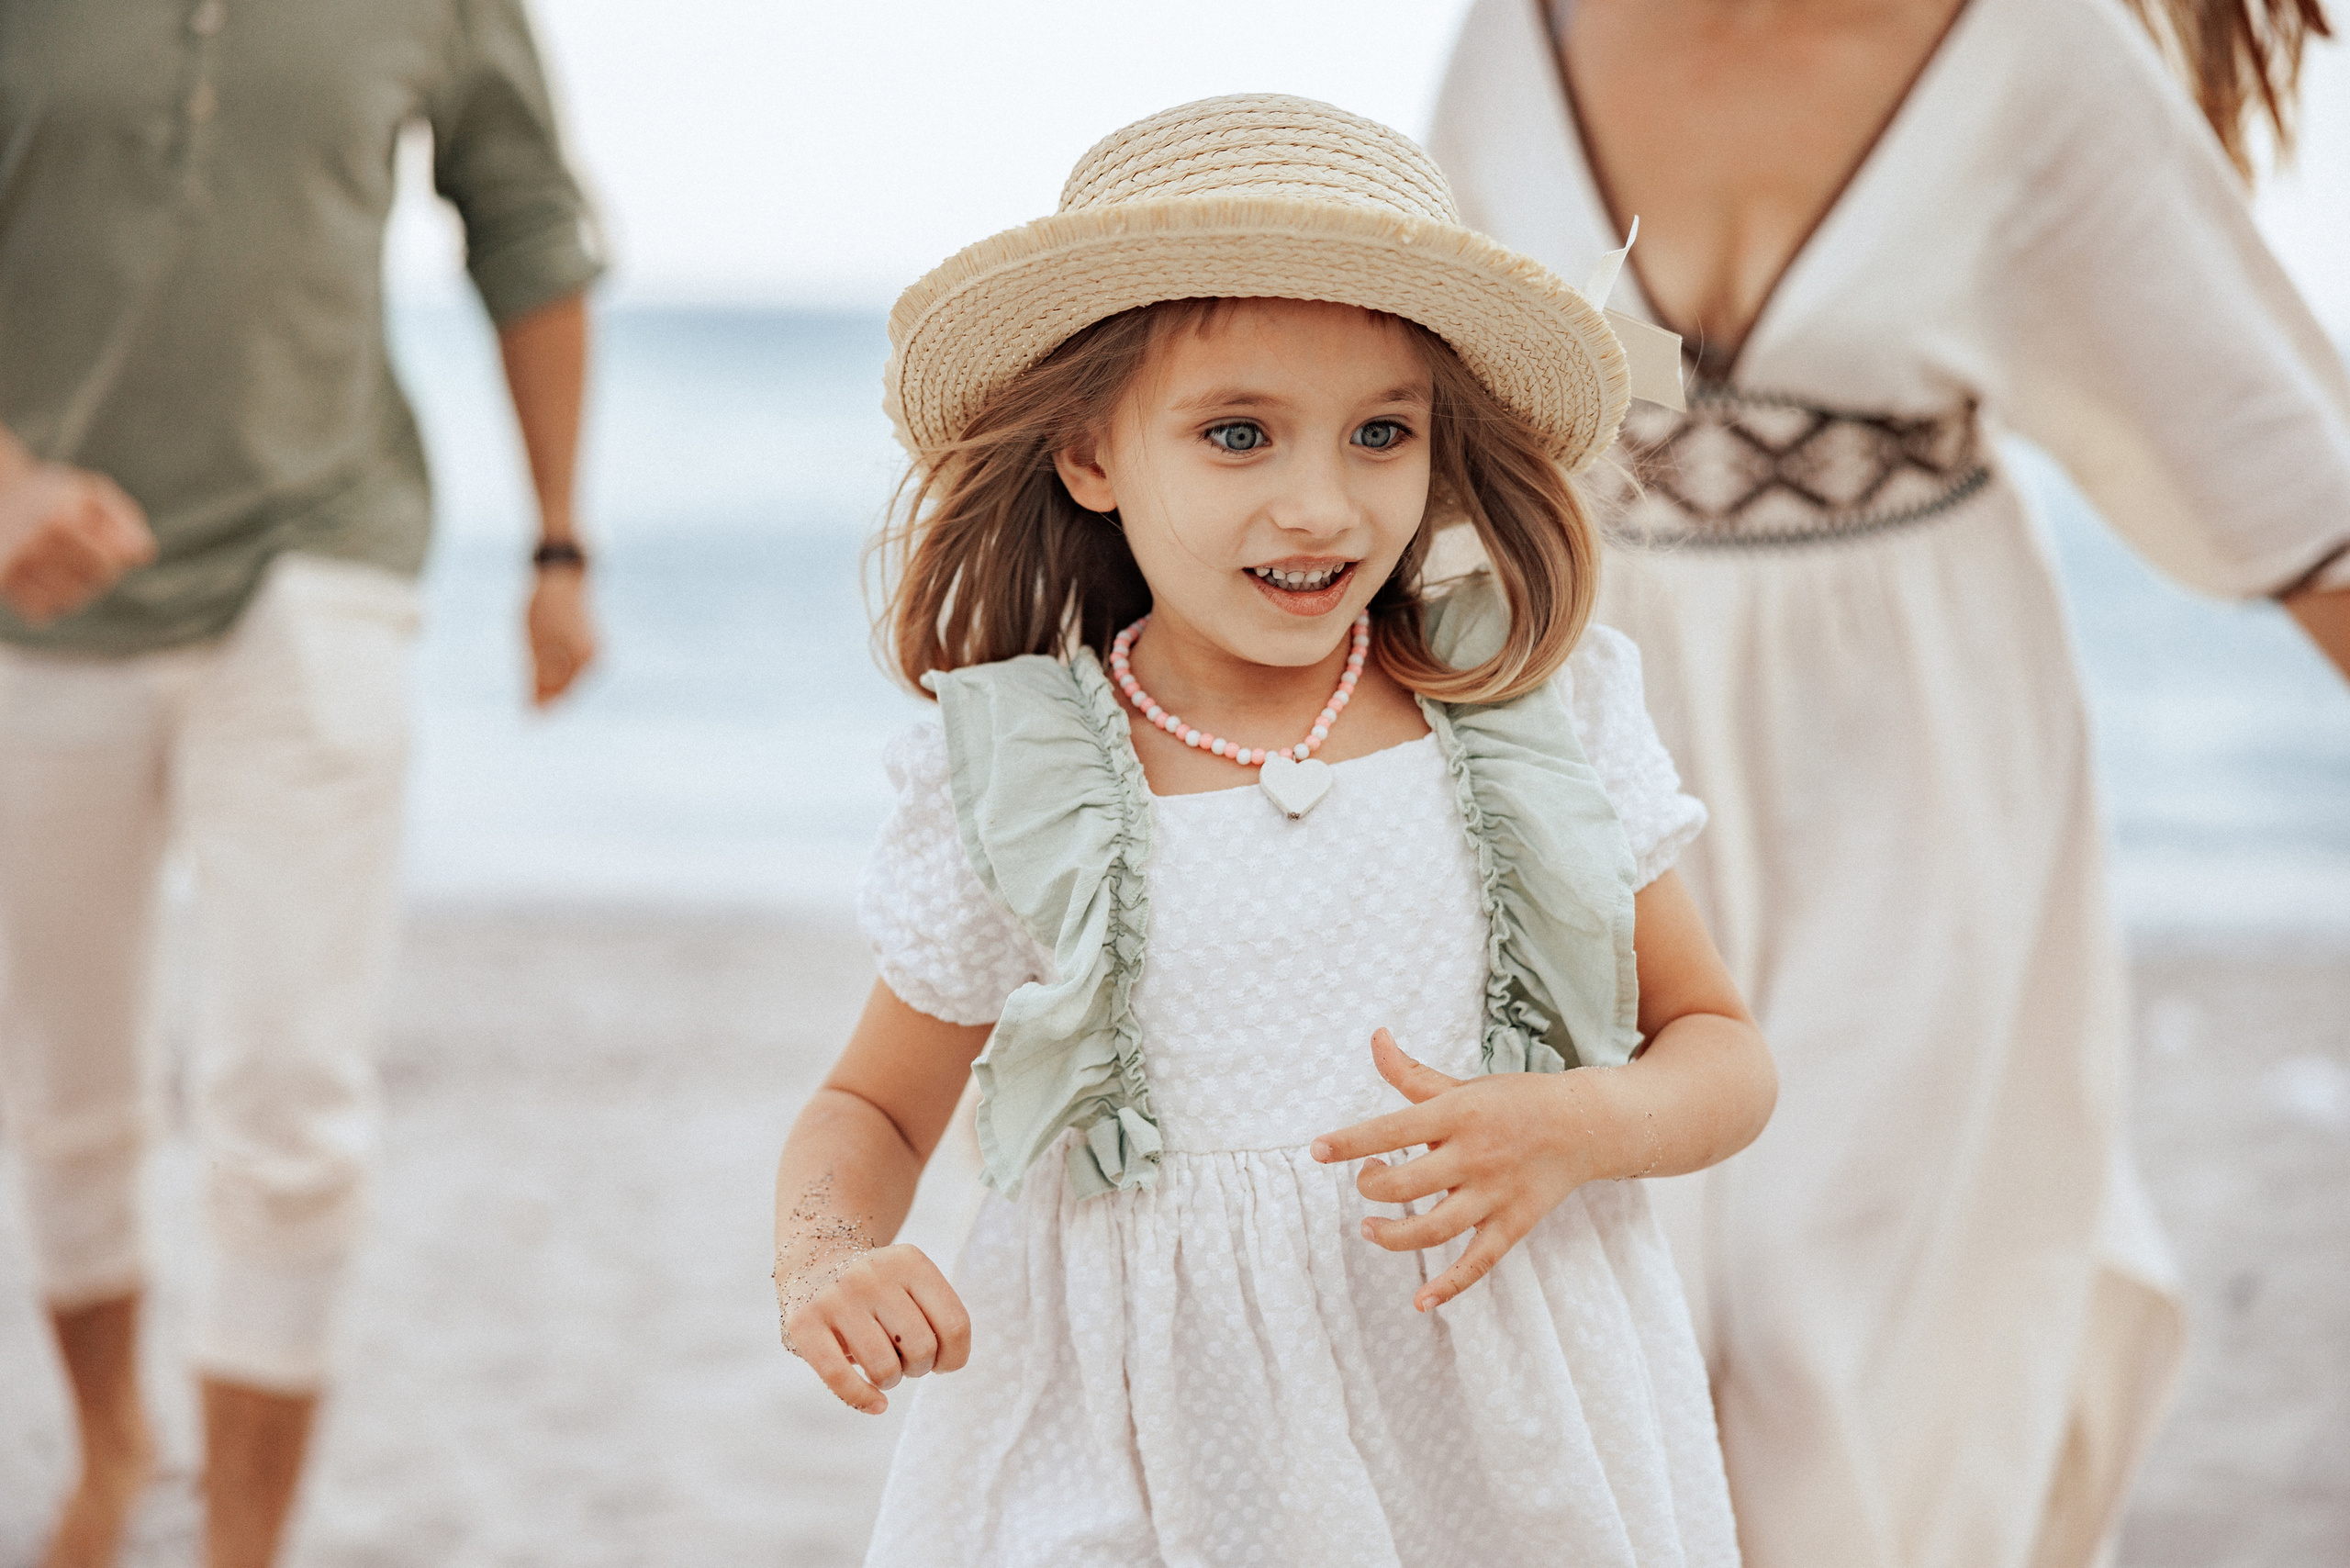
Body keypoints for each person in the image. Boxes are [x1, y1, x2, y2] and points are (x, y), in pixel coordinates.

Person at [767, 95, 1780, 1567]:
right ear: (1090, 455)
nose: (1320, 505)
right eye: (1237, 434)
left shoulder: (1524, 720)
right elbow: (872, 1109)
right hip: (1142, 1452)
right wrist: (825, 1259)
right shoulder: (1025, 783)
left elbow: (1724, 1054)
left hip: (1497, 1441)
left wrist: (1576, 1126)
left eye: (1382, 433)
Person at [1424, 2, 2350, 1565]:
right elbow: (1420, 435)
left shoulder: (2039, 51)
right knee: (1597, 1341)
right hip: (1564, 738)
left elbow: (2288, 487)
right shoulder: (1519, 28)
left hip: (1914, 769)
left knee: (1859, 1367)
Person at [0, 2, 605, 1563]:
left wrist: (558, 544)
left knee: (291, 1108)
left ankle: (241, 1548)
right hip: (29, 597)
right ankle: (115, 1444)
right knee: (71, 1098)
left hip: (316, 562)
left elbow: (529, 222)